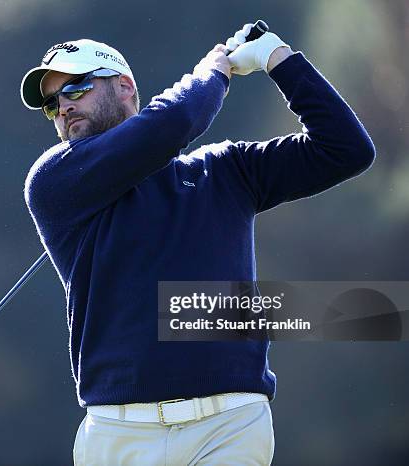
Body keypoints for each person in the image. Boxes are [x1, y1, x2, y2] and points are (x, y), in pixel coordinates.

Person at [20, 24, 375, 466]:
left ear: (125, 86)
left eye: (77, 87)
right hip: (120, 431)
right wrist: (215, 70)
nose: (64, 107)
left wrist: (280, 60)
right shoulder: (53, 179)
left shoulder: (226, 170)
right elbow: (174, 123)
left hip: (228, 425)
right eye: (52, 103)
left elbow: (346, 149)